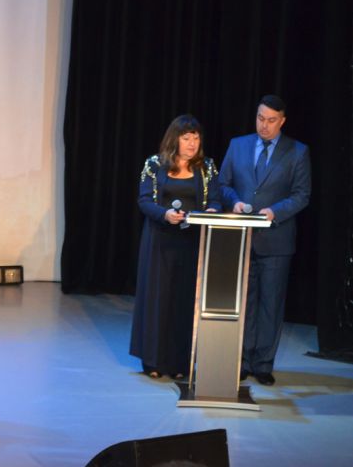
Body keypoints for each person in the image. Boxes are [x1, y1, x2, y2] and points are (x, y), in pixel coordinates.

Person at [219, 95, 311, 386]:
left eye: (271, 120)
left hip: (276, 241)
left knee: (271, 304)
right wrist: (234, 202)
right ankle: (243, 360)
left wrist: (275, 212)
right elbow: (223, 184)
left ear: (282, 121)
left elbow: (301, 195)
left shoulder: (298, 152)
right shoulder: (238, 145)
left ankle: (263, 364)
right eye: (260, 118)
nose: (264, 125)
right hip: (242, 239)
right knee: (245, 302)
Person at [130, 115, 221, 379]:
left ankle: (181, 362)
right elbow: (144, 200)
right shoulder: (154, 164)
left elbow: (215, 200)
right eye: (186, 138)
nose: (192, 143)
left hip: (191, 243)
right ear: (175, 139)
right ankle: (153, 361)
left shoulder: (207, 167)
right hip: (159, 241)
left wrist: (211, 211)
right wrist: (165, 214)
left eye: (196, 138)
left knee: (184, 300)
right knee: (158, 299)